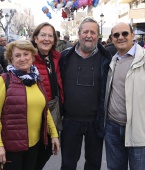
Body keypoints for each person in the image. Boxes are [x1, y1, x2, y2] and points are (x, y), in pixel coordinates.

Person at [104, 22, 145, 170]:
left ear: (132, 36)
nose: (121, 37)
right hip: (113, 127)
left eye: (125, 33)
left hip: (139, 129)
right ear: (112, 38)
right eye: (116, 35)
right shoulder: (114, 60)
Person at [59, 18, 112, 170]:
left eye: (93, 32)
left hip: (95, 122)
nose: (89, 35)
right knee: (68, 164)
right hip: (70, 122)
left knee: (93, 164)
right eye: (85, 32)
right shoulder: (65, 57)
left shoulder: (106, 58)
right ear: (79, 34)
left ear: (98, 35)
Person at [0, 40, 60, 170]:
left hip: (34, 146)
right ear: (11, 59)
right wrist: (0, 146)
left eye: (26, 54)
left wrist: (54, 134)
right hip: (12, 149)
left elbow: (45, 111)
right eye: (17, 55)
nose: (22, 58)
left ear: (32, 57)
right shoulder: (4, 80)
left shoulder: (37, 80)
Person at [30, 22, 64, 170]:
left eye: (50, 36)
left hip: (54, 110)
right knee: (33, 151)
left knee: (49, 149)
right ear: (36, 38)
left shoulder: (57, 57)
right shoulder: (28, 57)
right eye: (43, 35)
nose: (47, 39)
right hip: (34, 113)